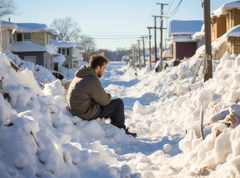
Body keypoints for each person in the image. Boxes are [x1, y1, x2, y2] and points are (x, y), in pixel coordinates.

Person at [66, 54, 137, 138]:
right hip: (85, 114)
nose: (104, 70)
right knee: (118, 104)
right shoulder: (92, 80)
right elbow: (104, 101)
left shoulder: (80, 76)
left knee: (111, 106)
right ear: (97, 67)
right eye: (103, 68)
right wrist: (108, 96)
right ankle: (121, 131)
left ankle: (116, 129)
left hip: (77, 111)